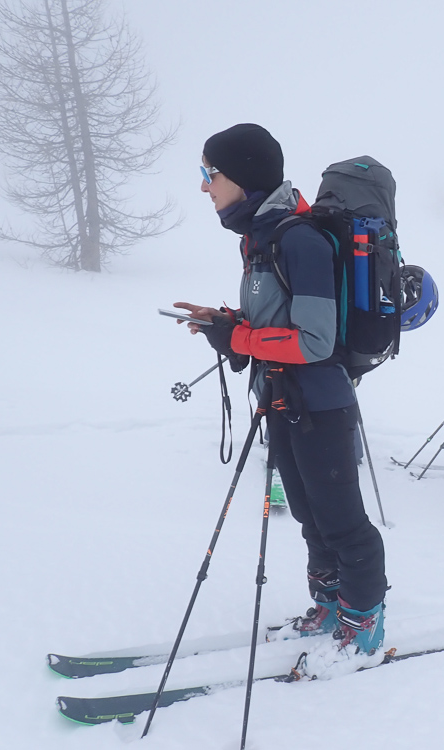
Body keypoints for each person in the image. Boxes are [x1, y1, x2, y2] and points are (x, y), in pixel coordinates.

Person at [175, 123, 387, 669]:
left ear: (242, 177)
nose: (205, 187)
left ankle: (364, 615)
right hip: (282, 400)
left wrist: (238, 337)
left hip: (320, 401)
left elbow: (315, 341)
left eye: (210, 174)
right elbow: (277, 320)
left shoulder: (298, 240)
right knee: (309, 514)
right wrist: (227, 321)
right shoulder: (259, 238)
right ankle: (330, 604)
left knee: (341, 518)